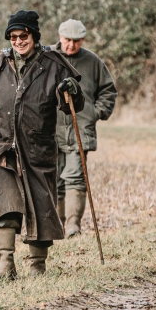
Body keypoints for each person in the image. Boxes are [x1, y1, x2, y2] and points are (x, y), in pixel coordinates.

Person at [0, 10, 84, 279]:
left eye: (22, 35)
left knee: (41, 206)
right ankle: (6, 263)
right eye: (13, 37)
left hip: (38, 148)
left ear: (34, 36)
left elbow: (72, 106)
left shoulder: (55, 64)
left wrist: (73, 90)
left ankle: (38, 264)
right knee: (5, 202)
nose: (18, 41)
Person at [48, 19, 117, 238]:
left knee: (76, 176)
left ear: (83, 40)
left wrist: (96, 113)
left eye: (76, 41)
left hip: (81, 128)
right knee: (54, 178)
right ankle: (56, 225)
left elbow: (108, 90)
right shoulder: (47, 57)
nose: (71, 45)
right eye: (68, 40)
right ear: (60, 37)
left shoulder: (92, 61)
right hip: (50, 127)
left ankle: (73, 226)